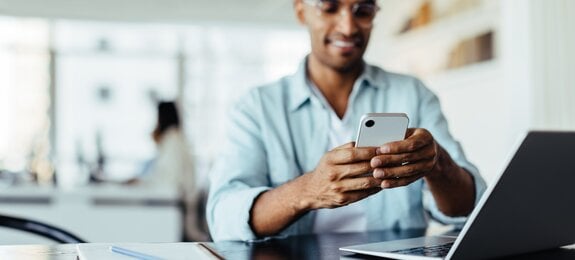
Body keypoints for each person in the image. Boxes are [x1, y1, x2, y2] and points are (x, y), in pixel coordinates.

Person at [207, 0, 486, 242]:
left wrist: (438, 164)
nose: (348, 27)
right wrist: (308, 190)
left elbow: (469, 209)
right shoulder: (257, 107)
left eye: (362, 10)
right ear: (301, 11)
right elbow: (224, 218)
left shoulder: (412, 94)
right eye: (329, 7)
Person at [140, 101, 208, 241]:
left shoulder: (174, 140)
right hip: (180, 204)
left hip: (182, 207)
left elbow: (170, 180)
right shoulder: (173, 139)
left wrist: (142, 182)